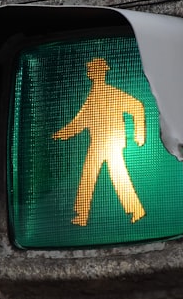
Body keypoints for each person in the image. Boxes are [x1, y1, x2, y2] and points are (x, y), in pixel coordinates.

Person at [53, 57, 146, 227]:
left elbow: (137, 106)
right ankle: (82, 215)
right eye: (90, 70)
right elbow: (81, 121)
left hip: (111, 144)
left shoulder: (112, 93)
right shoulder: (92, 96)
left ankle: (136, 210)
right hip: (98, 144)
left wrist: (139, 134)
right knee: (89, 177)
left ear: (100, 73)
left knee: (118, 178)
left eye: (93, 70)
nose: (90, 73)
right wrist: (62, 134)